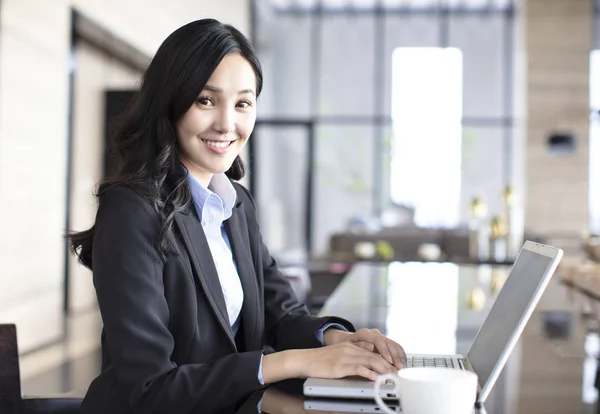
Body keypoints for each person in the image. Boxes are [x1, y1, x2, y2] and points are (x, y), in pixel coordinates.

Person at [68, 19, 406, 414]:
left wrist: (337, 339)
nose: (227, 124)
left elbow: (279, 311)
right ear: (170, 103)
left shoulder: (236, 203)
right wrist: (296, 362)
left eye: (243, 103)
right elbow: (150, 389)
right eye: (206, 101)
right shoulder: (130, 210)